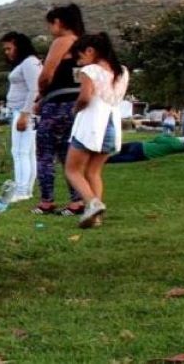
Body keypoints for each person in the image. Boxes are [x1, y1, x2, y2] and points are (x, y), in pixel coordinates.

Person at [64, 33, 129, 229]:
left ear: (90, 51)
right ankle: (95, 217)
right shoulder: (122, 71)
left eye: (80, 56)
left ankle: (92, 203)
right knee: (94, 172)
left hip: (91, 125)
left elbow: (85, 98)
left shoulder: (90, 70)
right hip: (111, 125)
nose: (79, 61)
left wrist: (74, 110)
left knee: (72, 170)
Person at [33, 4, 86, 216]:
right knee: (69, 154)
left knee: (45, 153)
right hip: (77, 105)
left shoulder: (62, 41)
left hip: (57, 105)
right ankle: (77, 200)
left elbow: (47, 74)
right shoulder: (84, 44)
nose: (50, 29)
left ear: (59, 22)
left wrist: (41, 93)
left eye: (51, 24)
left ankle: (47, 200)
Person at [0, 32, 41, 202]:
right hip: (23, 111)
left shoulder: (29, 63)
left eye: (9, 48)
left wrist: (25, 114)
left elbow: (35, 89)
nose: (7, 52)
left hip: (23, 111)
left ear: (19, 46)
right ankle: (27, 189)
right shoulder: (28, 63)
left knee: (19, 152)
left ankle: (22, 190)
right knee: (28, 152)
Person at [107, 135, 184, 163]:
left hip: (141, 147)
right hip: (143, 155)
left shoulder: (175, 142)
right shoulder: (179, 148)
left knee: (116, 148)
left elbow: (158, 138)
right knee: (112, 159)